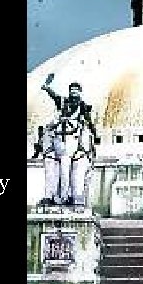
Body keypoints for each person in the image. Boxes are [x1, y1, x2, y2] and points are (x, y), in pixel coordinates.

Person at [40, 73, 97, 206]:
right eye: (72, 91)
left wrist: (94, 132)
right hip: (61, 136)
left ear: (80, 93)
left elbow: (88, 120)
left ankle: (73, 194)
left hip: (75, 137)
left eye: (76, 91)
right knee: (49, 136)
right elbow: (54, 96)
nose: (74, 94)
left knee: (76, 168)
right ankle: (52, 194)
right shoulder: (63, 101)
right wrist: (47, 88)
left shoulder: (82, 106)